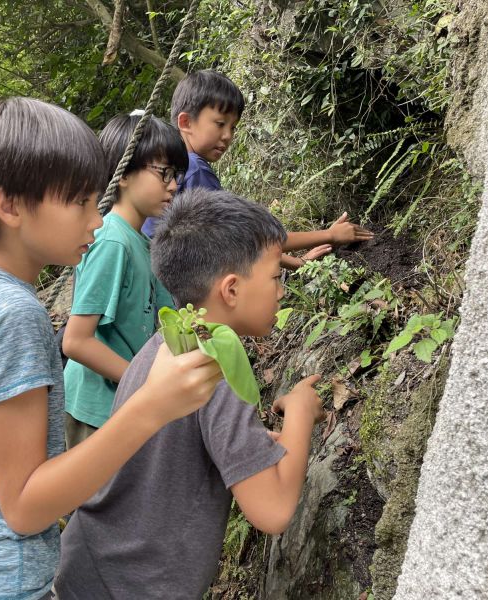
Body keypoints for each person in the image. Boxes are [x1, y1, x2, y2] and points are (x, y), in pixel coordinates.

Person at [0, 98, 221, 600]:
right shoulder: (13, 313)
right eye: (80, 201)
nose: (96, 221)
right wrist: (149, 406)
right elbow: (24, 507)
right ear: (10, 205)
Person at [55, 188, 327, 599]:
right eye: (276, 276)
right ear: (231, 289)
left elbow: (178, 448)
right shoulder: (214, 366)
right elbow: (273, 511)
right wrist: (300, 413)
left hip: (89, 565)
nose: (281, 291)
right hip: (134, 587)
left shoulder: (165, 345)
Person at [141, 69, 374, 268]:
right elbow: (244, 239)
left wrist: (296, 263)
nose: (227, 136)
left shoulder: (175, 169)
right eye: (220, 124)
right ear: (186, 122)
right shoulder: (195, 169)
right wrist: (329, 235)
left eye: (233, 127)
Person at [62, 112, 187, 448]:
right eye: (163, 173)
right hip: (94, 413)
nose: (173, 185)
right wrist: (146, 382)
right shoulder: (112, 241)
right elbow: (75, 341)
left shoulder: (143, 244)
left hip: (122, 406)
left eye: (176, 174)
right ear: (124, 173)